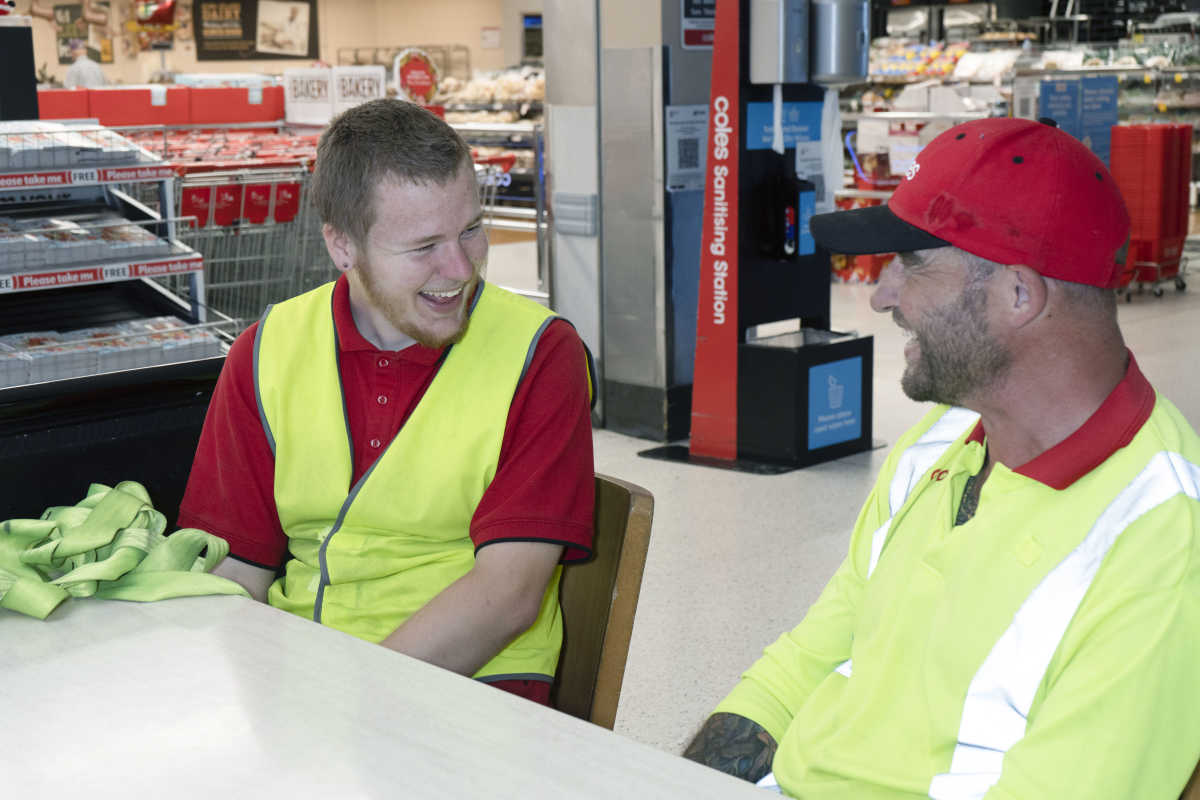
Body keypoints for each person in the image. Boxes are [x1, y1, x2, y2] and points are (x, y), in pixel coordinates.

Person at [684, 117, 1200, 797]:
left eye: (914, 265)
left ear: (1019, 293)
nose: (881, 294)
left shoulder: (1163, 540)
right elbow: (802, 664)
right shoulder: (938, 446)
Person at [178, 99, 595, 706]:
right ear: (342, 246)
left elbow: (509, 594)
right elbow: (234, 568)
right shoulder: (266, 351)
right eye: (424, 245)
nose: (460, 268)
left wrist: (347, 701)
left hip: (476, 691)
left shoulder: (541, 354)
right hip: (303, 678)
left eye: (471, 230)